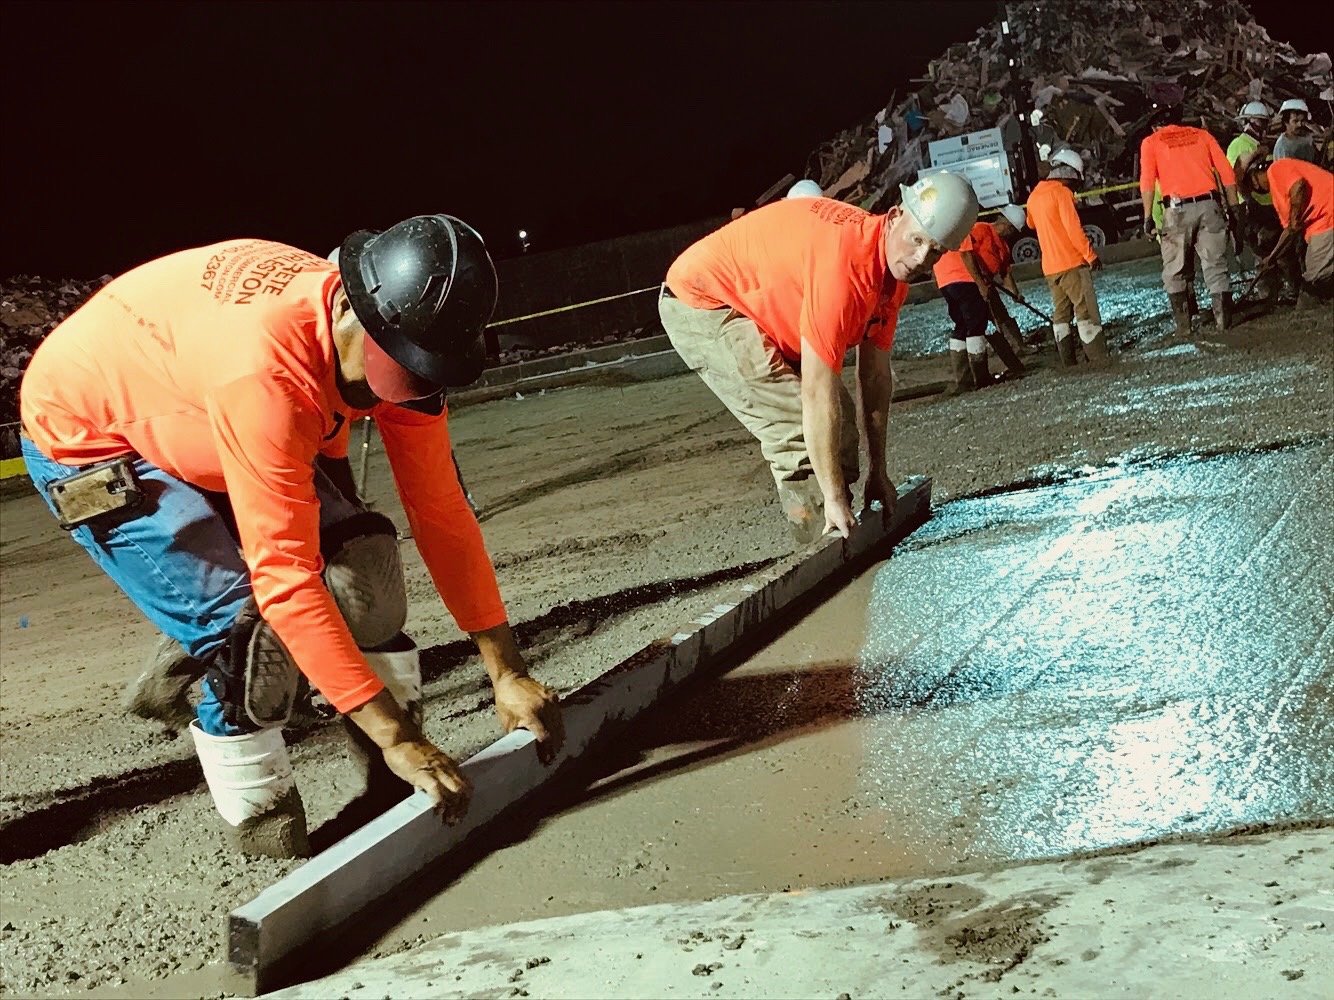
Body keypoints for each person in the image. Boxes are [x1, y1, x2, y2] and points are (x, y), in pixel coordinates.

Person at [19, 215, 565, 859]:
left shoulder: (399, 346)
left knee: (366, 579)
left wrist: (507, 669)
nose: (400, 394)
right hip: (98, 434)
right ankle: (269, 833)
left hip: (196, 397)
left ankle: (389, 793)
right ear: (353, 317)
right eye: (395, 375)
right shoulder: (267, 380)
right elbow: (287, 575)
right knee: (249, 646)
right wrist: (394, 737)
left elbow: (442, 513)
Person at [659, 172, 979, 544]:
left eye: (936, 250)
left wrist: (879, 469)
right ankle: (817, 538)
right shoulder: (845, 266)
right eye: (917, 240)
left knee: (837, 432)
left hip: (762, 304)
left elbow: (874, 378)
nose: (922, 258)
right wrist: (833, 497)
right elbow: (815, 393)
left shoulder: (890, 283)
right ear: (894, 217)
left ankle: (837, 521)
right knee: (797, 430)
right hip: (705, 300)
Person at [1139, 103, 1241, 333]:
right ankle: (1223, 323)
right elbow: (1226, 172)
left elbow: (1146, 181)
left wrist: (1147, 216)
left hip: (1176, 210)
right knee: (1215, 264)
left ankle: (1184, 327)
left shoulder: (1151, 142)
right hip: (1209, 205)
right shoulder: (1202, 136)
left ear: (1156, 126)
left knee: (1175, 268)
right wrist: (1234, 208)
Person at [932, 204, 1029, 393]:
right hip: (965, 280)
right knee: (976, 326)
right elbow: (967, 255)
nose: (1011, 234)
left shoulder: (1002, 245)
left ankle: (965, 378)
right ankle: (981, 377)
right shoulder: (979, 229)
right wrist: (981, 284)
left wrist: (1015, 293)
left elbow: (1005, 272)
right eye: (1011, 230)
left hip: (951, 281)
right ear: (1005, 224)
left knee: (963, 326)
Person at [1025, 148, 1108, 366]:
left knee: (1061, 314)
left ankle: (1068, 361)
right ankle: (1098, 358)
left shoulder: (1034, 196)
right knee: (1085, 310)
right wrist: (1090, 255)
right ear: (1068, 173)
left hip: (1051, 268)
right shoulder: (1061, 193)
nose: (1075, 186)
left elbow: (1030, 224)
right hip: (1071, 263)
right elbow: (1074, 229)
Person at [1236, 153, 1334, 304]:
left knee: (1314, 283)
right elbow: (1288, 231)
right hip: (1322, 221)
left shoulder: (1277, 169)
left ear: (1254, 178)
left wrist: (1294, 215)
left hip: (1327, 216)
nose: (1255, 190)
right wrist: (1271, 258)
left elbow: (1298, 185)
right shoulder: (1277, 193)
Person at [1227, 102, 1298, 305]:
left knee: (1279, 250)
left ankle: (1279, 293)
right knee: (1270, 250)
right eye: (1259, 121)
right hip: (1253, 209)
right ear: (1247, 122)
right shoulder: (1239, 146)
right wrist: (1248, 205)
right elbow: (1236, 179)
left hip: (1268, 205)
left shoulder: (1260, 145)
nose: (1262, 125)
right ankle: (1272, 294)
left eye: (1264, 121)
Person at [1273, 99, 1318, 164]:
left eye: (1302, 121)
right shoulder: (1283, 146)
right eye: (1295, 121)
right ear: (1286, 122)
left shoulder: (1306, 139)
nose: (1300, 125)